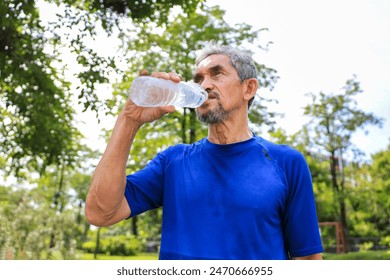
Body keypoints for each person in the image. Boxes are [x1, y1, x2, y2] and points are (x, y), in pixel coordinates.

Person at [85, 42, 323, 260]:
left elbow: (307, 260)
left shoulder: (286, 162)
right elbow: (100, 213)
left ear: (248, 88)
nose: (204, 85)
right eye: (198, 79)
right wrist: (129, 121)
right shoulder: (173, 161)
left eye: (217, 74)